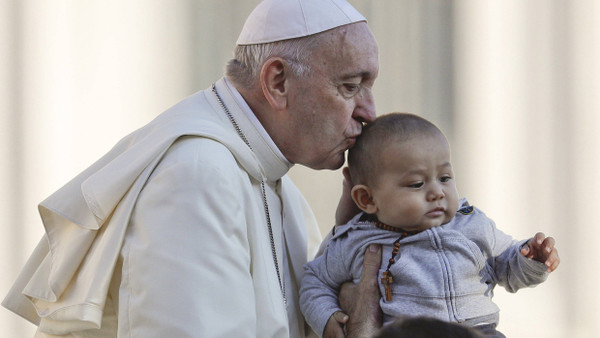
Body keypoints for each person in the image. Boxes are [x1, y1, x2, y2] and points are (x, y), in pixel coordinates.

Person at [2, 0, 382, 336]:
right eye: (350, 87)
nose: (369, 113)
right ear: (277, 81)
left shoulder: (275, 182)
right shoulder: (197, 175)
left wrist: (353, 241)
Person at [300, 113, 560, 337]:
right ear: (367, 199)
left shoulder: (471, 223)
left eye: (445, 177)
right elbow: (315, 281)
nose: (437, 192)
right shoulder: (359, 240)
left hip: (478, 332)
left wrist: (532, 260)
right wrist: (326, 317)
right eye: (416, 184)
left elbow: (508, 266)